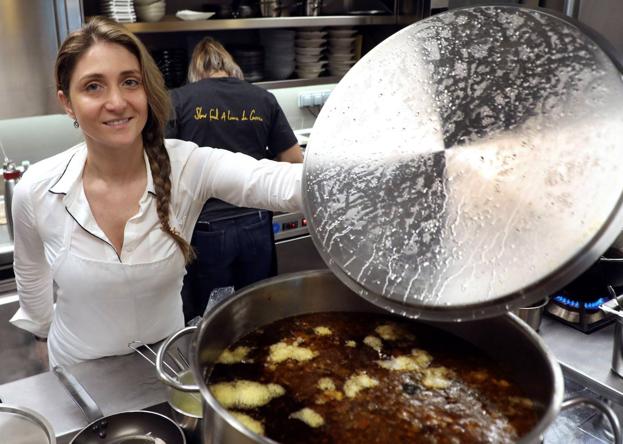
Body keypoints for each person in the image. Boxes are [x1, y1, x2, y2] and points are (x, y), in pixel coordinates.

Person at [9, 17, 303, 368]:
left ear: (146, 90)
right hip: (77, 373)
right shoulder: (38, 188)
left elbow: (280, 183)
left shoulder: (188, 166)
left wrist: (368, 175)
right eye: (93, 87)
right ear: (67, 102)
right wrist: (41, 333)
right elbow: (31, 274)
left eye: (130, 82)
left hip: (165, 370)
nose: (117, 101)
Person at [165, 37, 303, 321]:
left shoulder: (177, 100)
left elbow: (162, 169)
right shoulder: (262, 98)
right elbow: (293, 162)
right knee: (259, 310)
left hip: (204, 230)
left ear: (195, 70)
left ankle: (208, 365)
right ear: (231, 66)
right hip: (256, 223)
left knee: (211, 320)